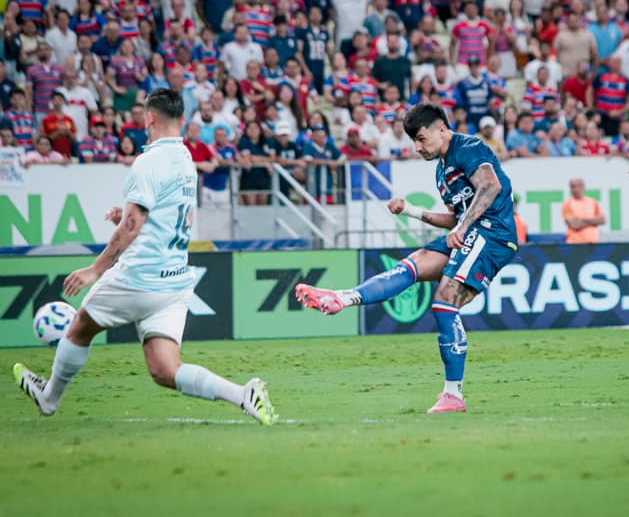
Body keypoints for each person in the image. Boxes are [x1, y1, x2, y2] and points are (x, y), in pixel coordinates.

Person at [13, 89, 277, 424]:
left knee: (79, 326)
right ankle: (242, 394)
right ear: (181, 118)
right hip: (174, 283)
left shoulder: (149, 161)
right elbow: (180, 217)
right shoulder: (185, 159)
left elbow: (132, 226)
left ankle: (49, 397)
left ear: (150, 117)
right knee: (165, 370)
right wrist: (127, 220)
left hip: (139, 277)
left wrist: (95, 269)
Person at [295, 103, 518, 414]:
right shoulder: (442, 170)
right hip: (471, 233)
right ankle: (342, 298)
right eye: (413, 141)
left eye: (421, 138)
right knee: (411, 265)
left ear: (442, 129)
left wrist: (463, 227)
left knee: (444, 302)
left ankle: (453, 395)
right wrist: (411, 211)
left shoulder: (468, 147)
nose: (417, 148)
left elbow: (491, 186)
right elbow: (455, 218)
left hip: (493, 234)